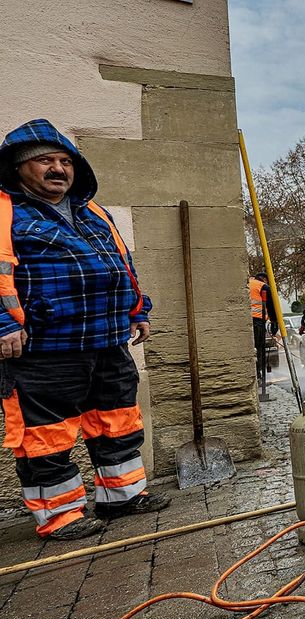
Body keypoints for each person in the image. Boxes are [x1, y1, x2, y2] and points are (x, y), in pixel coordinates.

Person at [0, 119, 170, 540]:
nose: (58, 169)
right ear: (19, 168)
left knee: (117, 421)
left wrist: (137, 310)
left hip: (107, 339)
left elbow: (121, 265)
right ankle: (60, 517)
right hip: (44, 349)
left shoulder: (91, 212)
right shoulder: (6, 213)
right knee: (46, 437)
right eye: (44, 161)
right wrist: (3, 324)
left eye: (64, 161)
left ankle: (123, 496)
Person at [249, 272, 278, 383]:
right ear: (264, 279)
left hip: (245, 322)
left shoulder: (247, 284)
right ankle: (258, 375)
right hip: (257, 321)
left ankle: (255, 375)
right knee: (259, 348)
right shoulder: (263, 286)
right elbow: (271, 307)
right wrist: (274, 323)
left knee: (250, 350)